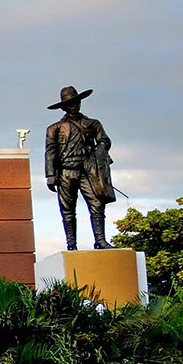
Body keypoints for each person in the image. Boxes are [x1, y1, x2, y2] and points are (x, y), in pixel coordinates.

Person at [44, 86, 114, 250]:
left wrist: (96, 152)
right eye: (69, 104)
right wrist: (50, 175)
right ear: (64, 107)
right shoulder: (54, 128)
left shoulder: (92, 124)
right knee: (68, 210)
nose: (73, 106)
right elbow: (50, 152)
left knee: (97, 204)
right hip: (66, 171)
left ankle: (100, 240)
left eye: (75, 102)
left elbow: (105, 140)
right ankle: (71, 244)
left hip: (87, 171)